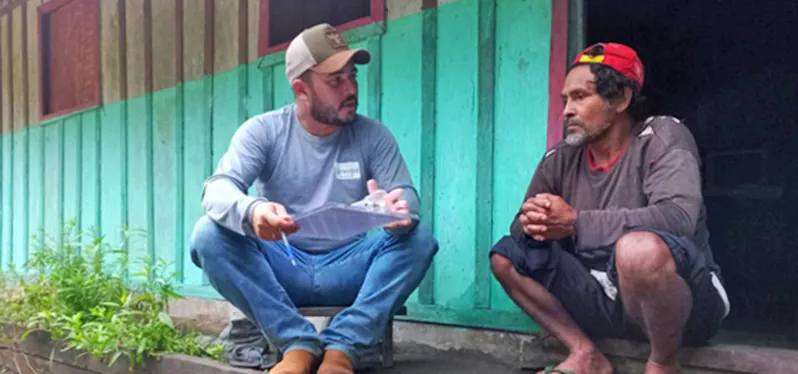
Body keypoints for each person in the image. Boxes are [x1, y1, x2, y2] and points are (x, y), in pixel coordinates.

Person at [189, 23, 438, 374]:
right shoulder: (264, 131)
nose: (350, 89)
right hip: (284, 264)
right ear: (301, 89)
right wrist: (253, 210)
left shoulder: (373, 135)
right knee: (207, 235)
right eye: (335, 80)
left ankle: (343, 348)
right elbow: (217, 188)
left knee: (420, 237)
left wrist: (399, 212)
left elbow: (406, 196)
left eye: (352, 77)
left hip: (350, 264)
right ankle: (296, 344)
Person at [489, 42, 730, 374]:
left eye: (580, 97)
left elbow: (678, 217)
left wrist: (575, 223)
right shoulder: (561, 156)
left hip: (684, 307)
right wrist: (539, 220)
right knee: (507, 256)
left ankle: (663, 363)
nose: (567, 111)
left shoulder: (661, 136)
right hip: (603, 298)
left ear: (621, 99)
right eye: (565, 100)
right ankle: (585, 353)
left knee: (637, 251)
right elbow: (520, 229)